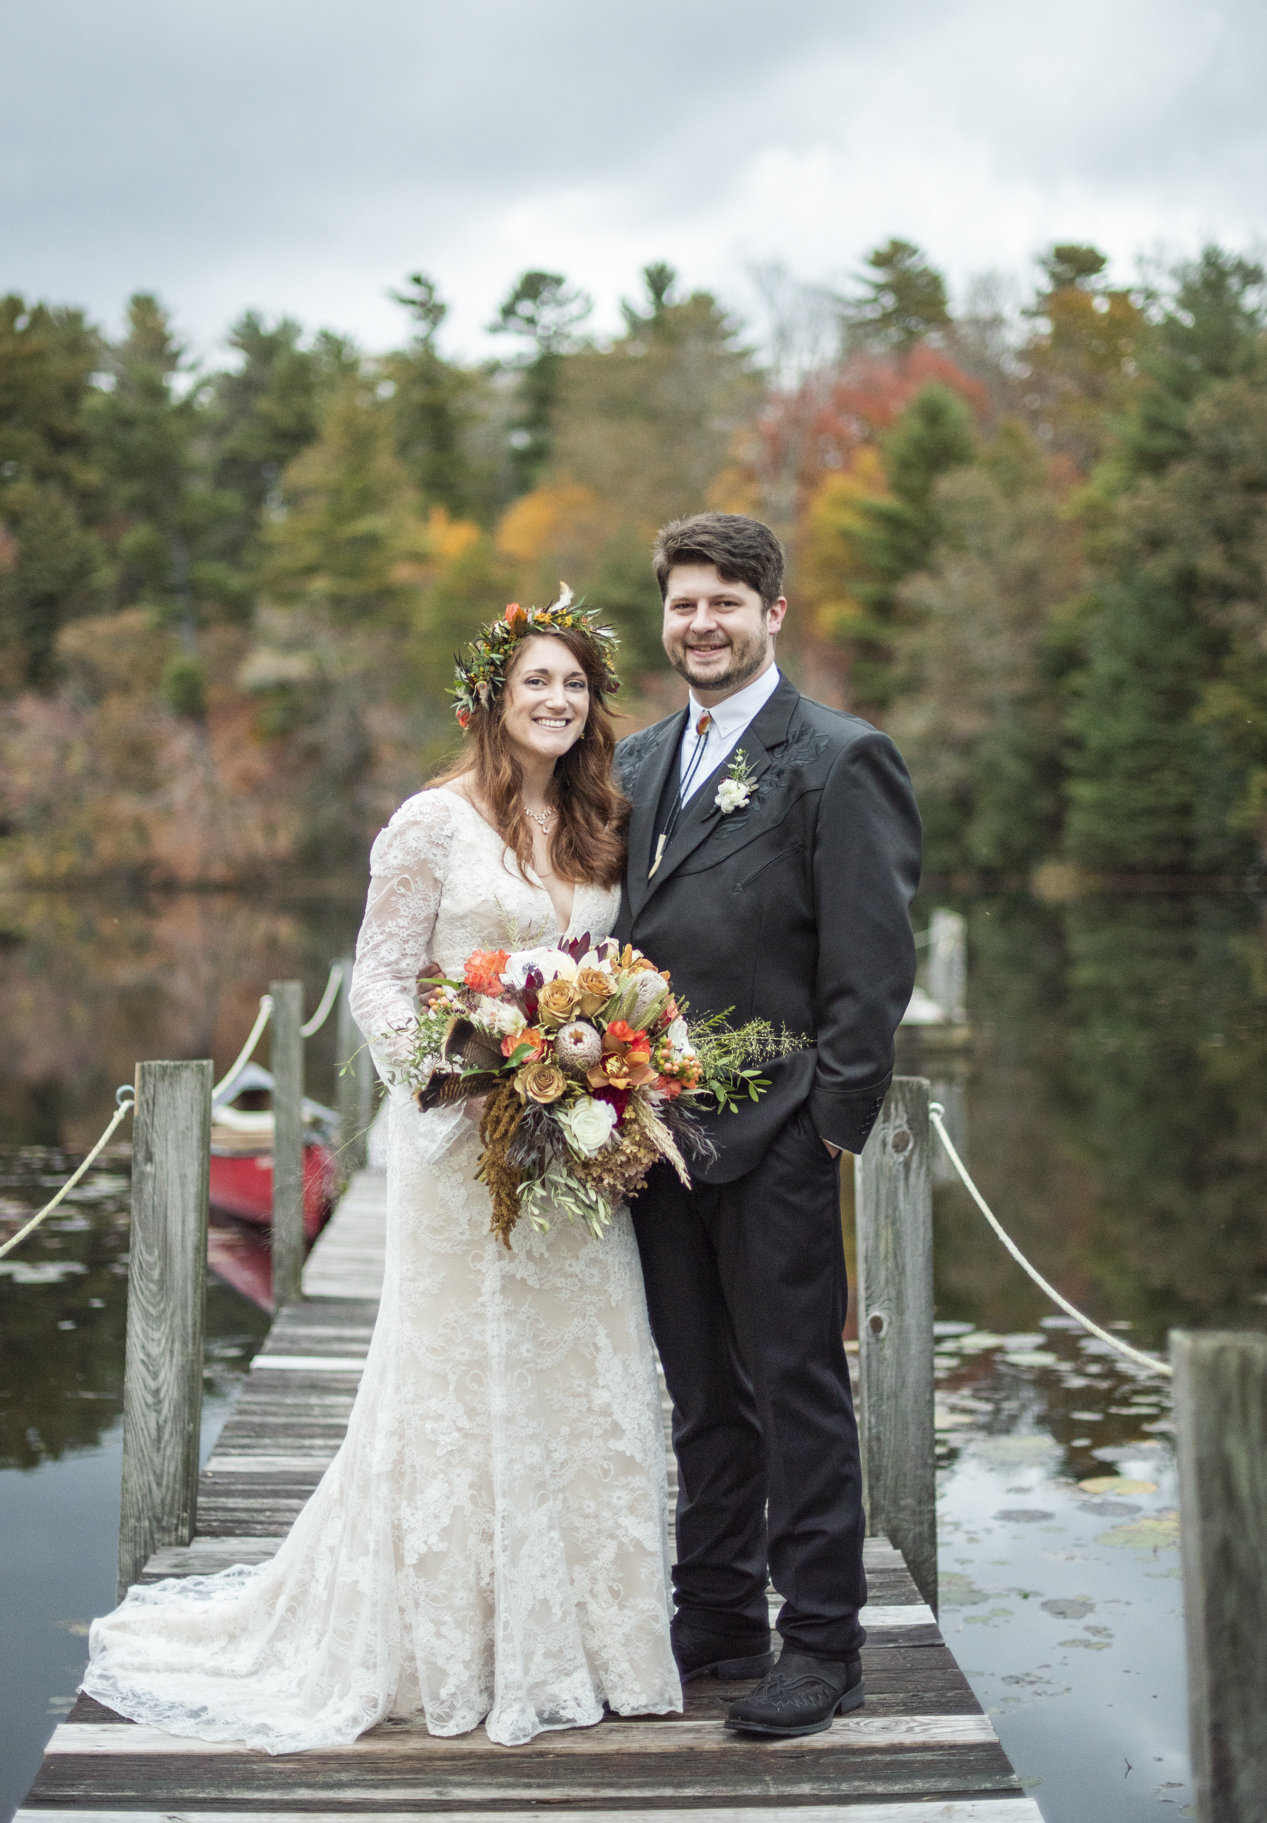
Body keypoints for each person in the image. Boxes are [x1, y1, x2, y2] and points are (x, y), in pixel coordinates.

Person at [82, 601, 681, 1752]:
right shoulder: (430, 822)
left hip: (576, 1146)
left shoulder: (599, 824)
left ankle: (591, 1641)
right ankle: (452, 1643)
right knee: (461, 1378)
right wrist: (442, 1082)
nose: (555, 701)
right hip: (461, 1147)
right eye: (534, 683)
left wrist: (611, 1059)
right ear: (493, 701)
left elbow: (604, 970)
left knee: (583, 1371)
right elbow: (379, 981)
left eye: (573, 685)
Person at [614, 512, 921, 1738]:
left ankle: (824, 1646)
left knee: (796, 1389)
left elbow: (872, 963)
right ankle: (721, 1615)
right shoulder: (634, 762)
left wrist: (829, 1127)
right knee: (700, 1394)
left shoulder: (840, 759)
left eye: (725, 604)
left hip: (781, 1131)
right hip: (647, 1136)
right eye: (685, 603)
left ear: (771, 614)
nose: (702, 623)